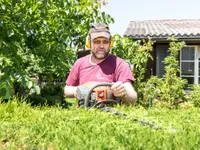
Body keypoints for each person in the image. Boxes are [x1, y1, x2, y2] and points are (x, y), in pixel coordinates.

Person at [64, 23, 137, 105]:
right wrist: (80, 90)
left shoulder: (119, 64)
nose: (101, 46)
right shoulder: (80, 63)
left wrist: (124, 94)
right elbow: (67, 89)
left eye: (105, 42)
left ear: (110, 43)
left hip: (110, 114)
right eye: (97, 42)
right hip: (83, 114)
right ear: (89, 43)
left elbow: (133, 97)